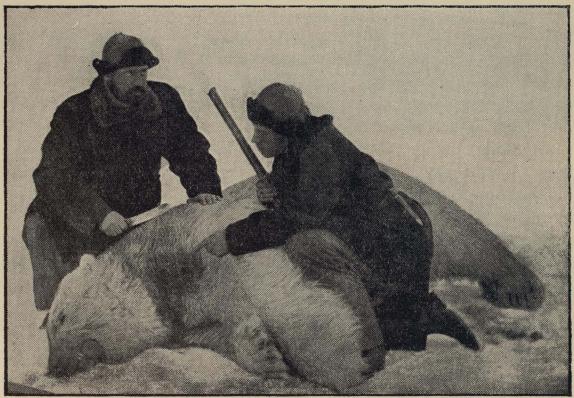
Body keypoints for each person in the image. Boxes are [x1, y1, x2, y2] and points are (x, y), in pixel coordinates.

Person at [201, 83, 479, 371]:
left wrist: (231, 237)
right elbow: (305, 202)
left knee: (308, 245)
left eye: (262, 131)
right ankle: (420, 317)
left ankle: (368, 353)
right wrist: (275, 192)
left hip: (398, 246)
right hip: (377, 240)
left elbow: (296, 218)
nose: (255, 139)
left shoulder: (319, 152)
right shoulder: (297, 145)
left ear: (284, 130)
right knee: (402, 331)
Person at [23, 33, 222, 311]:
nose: (140, 82)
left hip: (134, 218)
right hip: (69, 222)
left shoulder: (163, 100)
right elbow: (54, 176)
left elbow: (189, 148)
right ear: (109, 76)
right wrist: (99, 213)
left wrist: (204, 188)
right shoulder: (75, 113)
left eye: (144, 72)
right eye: (130, 74)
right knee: (69, 307)